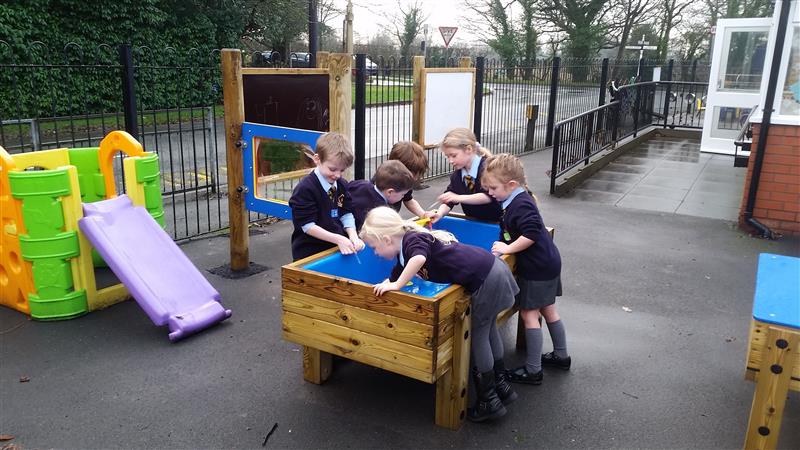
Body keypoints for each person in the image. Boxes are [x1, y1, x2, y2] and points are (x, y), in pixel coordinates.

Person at [359, 206, 519, 422]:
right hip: (492, 269)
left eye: (374, 247)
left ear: (387, 239)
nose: (375, 253)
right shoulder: (405, 249)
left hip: (486, 279)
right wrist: (388, 283)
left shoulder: (412, 241)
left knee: (479, 337)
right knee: (489, 330)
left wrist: (397, 285)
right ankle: (502, 388)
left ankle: (488, 401)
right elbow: (399, 271)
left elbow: (418, 260)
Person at [482, 153, 570, 385]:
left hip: (537, 267)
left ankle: (533, 371)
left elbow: (530, 234)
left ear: (511, 185)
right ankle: (561, 356)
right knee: (549, 309)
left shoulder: (520, 204)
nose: (490, 193)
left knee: (529, 314)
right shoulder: (518, 198)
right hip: (548, 261)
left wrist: (507, 247)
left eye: (493, 188)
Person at [288, 132, 365, 261]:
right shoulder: (305, 189)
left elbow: (346, 212)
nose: (337, 175)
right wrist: (338, 239)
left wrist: (353, 236)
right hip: (310, 252)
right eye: (332, 169)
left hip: (335, 246)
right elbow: (307, 226)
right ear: (317, 159)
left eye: (342, 170)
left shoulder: (341, 184)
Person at [430, 128, 502, 224]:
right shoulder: (458, 175)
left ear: (468, 149)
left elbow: (489, 196)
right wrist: (439, 213)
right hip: (474, 221)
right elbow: (450, 198)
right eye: (448, 157)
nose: (450, 161)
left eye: (454, 156)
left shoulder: (488, 168)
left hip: (498, 222)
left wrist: (457, 197)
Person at [347, 160, 415, 230]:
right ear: (390, 192)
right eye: (402, 194)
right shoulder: (383, 211)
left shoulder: (359, 184)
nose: (403, 197)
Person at [387, 140, 431, 218]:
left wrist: (423, 214)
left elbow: (408, 200)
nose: (416, 178)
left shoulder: (405, 181)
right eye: (412, 175)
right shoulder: (381, 183)